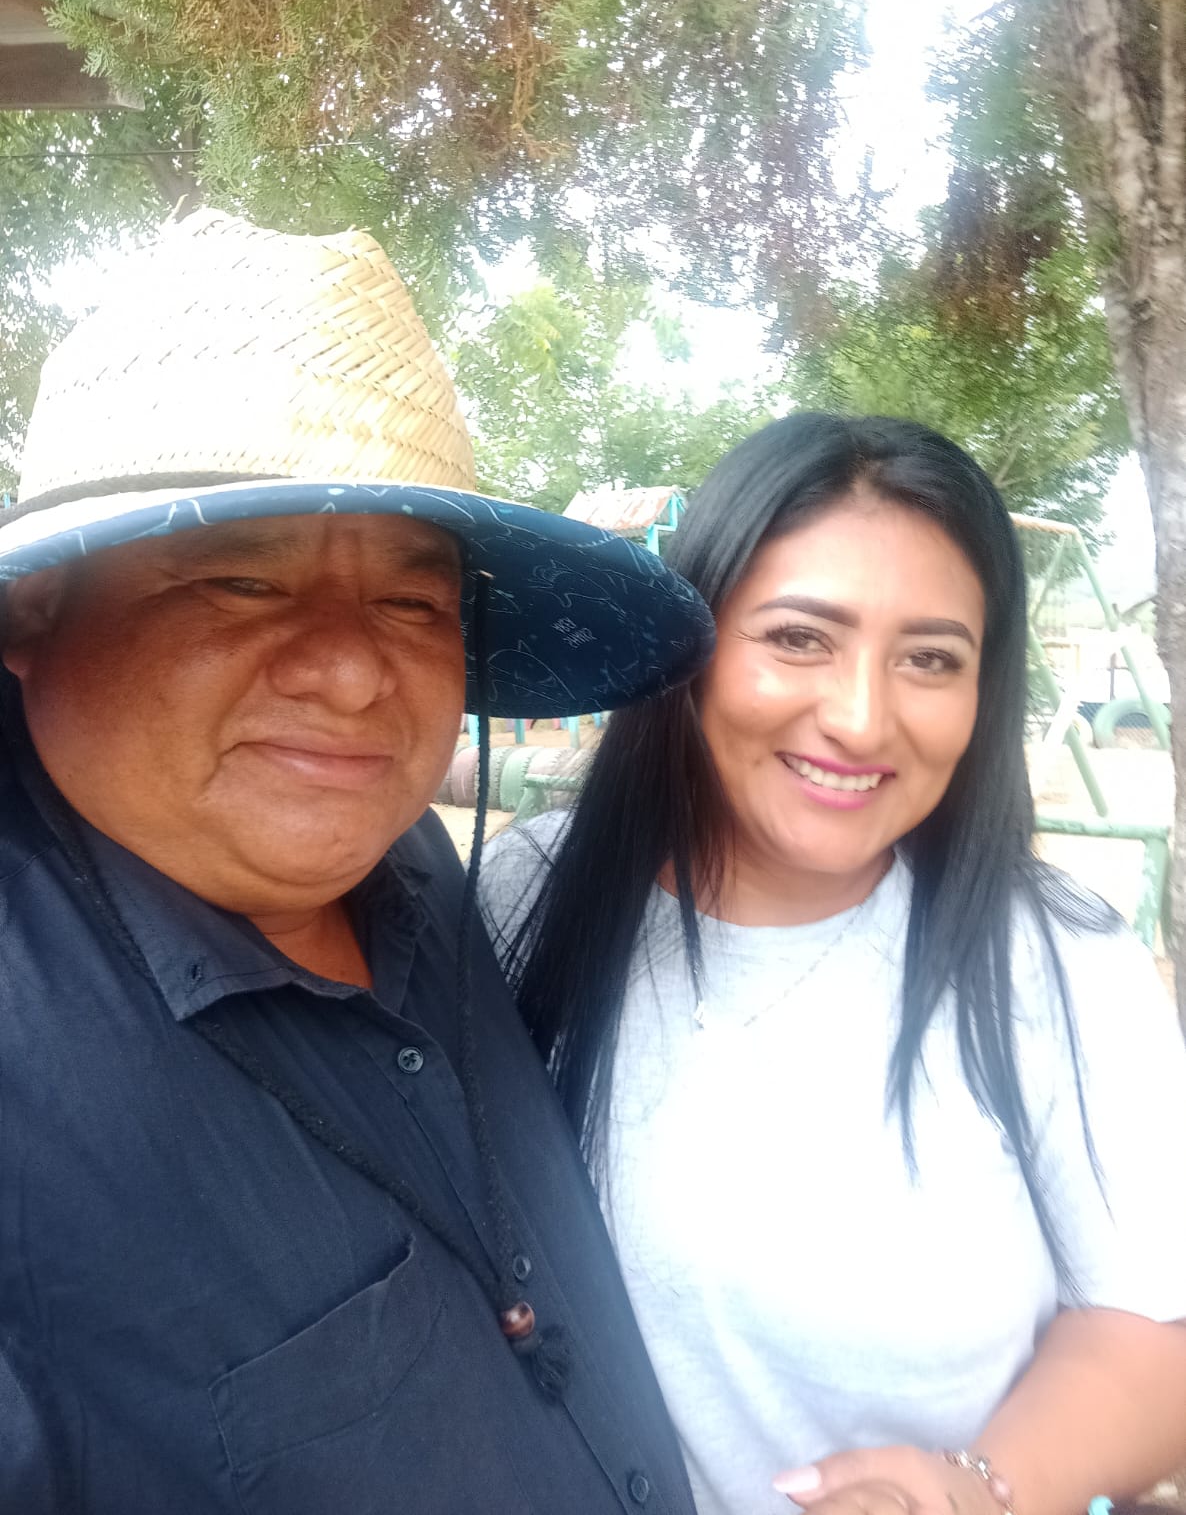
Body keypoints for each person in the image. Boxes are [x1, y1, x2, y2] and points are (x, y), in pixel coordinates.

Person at [0, 208, 715, 1514]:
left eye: (410, 600)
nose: (351, 672)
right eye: (239, 582)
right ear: (36, 610)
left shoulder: (407, 853)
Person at [480, 413, 1186, 1515]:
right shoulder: (523, 894)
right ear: (692, 645)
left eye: (930, 659)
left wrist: (978, 1491)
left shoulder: (1053, 958)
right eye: (800, 638)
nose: (861, 719)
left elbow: (1154, 1320)